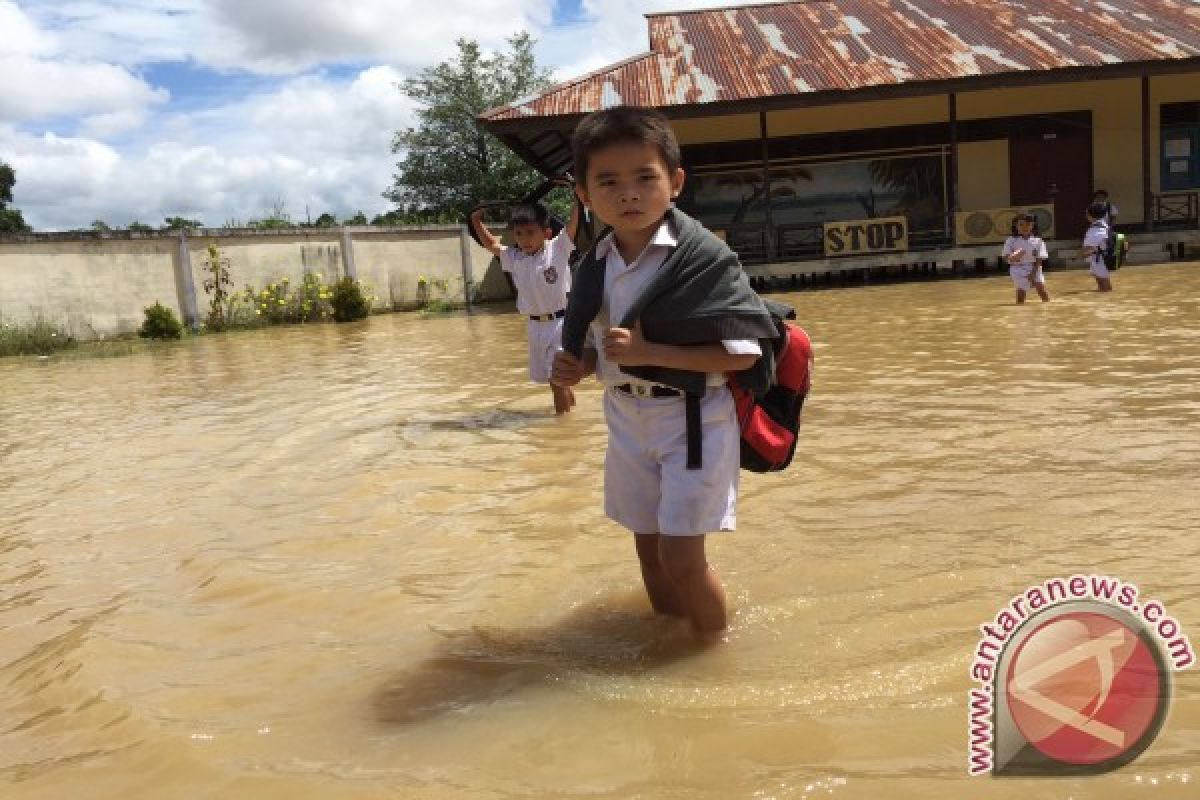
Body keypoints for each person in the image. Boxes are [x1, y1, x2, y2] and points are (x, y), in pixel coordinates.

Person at [550, 106, 779, 642]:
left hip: (692, 419)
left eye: (644, 178)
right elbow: (603, 349)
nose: (628, 194)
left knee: (681, 559)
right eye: (608, 181)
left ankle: (711, 659)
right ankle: (666, 642)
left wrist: (651, 350)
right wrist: (579, 364)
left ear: (674, 182)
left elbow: (742, 356)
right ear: (584, 193)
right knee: (648, 553)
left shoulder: (703, 256)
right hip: (626, 417)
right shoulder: (595, 263)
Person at [471, 196, 580, 414]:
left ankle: (562, 430)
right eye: (519, 234)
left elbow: (573, 222)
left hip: (560, 323)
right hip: (534, 326)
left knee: (557, 379)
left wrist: (576, 195)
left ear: (546, 233)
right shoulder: (515, 257)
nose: (524, 239)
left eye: (530, 232)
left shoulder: (557, 248)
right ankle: (571, 414)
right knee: (556, 380)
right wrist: (476, 221)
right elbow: (491, 243)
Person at [1002, 213, 1050, 304]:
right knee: (1021, 292)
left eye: (1028, 224)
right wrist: (1013, 257)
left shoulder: (1038, 241)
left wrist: (1033, 273)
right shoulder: (1011, 240)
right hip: (1017, 268)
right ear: (1015, 226)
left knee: (1041, 289)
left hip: (1034, 267)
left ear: (1032, 226)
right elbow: (1006, 257)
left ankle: (1048, 306)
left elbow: (1039, 259)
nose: (1025, 227)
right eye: (1021, 225)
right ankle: (1020, 310)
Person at [1082, 201, 1115, 292]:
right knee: (1102, 287)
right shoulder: (1104, 225)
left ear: (1090, 215)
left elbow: (1087, 251)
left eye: (1086, 213)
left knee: (1105, 287)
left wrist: (1082, 254)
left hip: (1099, 260)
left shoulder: (1095, 230)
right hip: (1102, 258)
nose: (1086, 215)